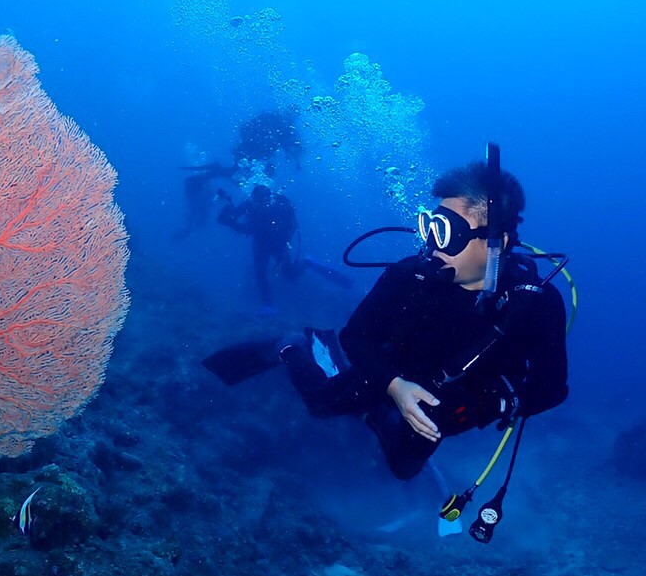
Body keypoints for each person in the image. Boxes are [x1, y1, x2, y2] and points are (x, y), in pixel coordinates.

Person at [204, 154, 568, 482]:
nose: (432, 244)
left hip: (446, 400)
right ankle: (292, 345)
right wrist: (393, 385)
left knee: (405, 468)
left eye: (447, 233)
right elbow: (356, 337)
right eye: (430, 227)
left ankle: (376, 416)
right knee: (319, 403)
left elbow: (552, 389)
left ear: (496, 243)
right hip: (386, 371)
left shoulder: (535, 306)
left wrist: (487, 405)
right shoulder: (410, 276)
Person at [215, 184, 304, 311]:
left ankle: (307, 262)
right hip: (260, 244)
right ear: (254, 199)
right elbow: (228, 220)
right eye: (259, 199)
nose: (263, 202)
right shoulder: (248, 205)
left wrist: (288, 238)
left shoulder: (278, 205)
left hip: (279, 243)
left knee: (290, 276)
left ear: (269, 197)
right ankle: (268, 305)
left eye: (266, 198)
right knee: (260, 272)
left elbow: (292, 224)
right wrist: (227, 211)